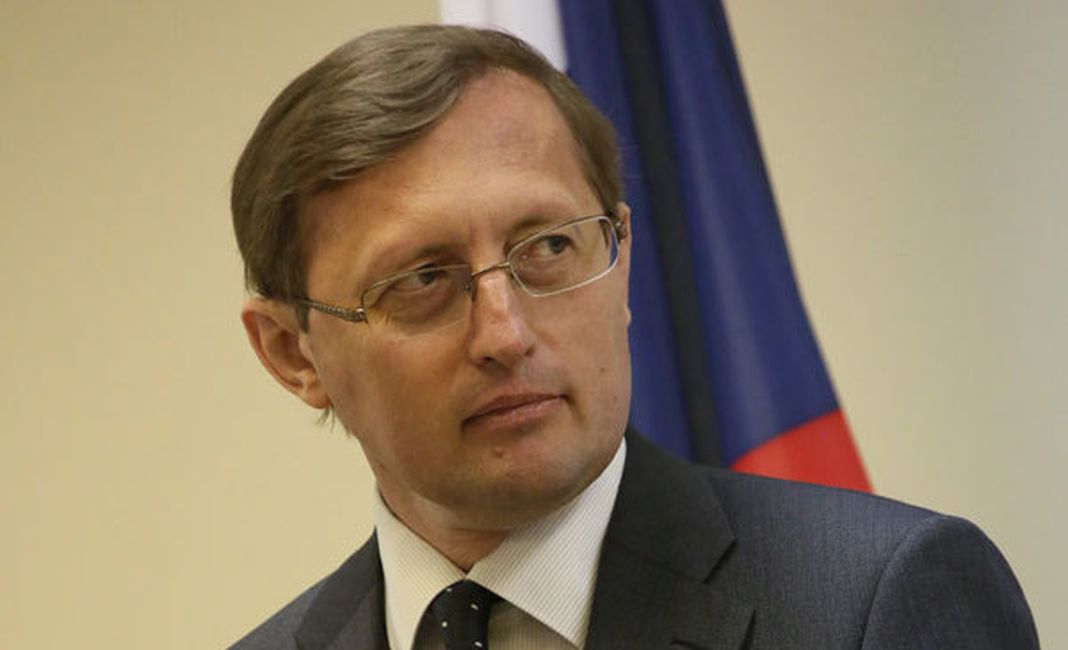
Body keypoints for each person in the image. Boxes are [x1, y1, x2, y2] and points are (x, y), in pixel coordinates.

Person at [228, 24, 1037, 650]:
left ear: (622, 259)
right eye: (421, 280)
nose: (505, 333)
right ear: (292, 354)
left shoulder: (872, 603)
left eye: (549, 247)